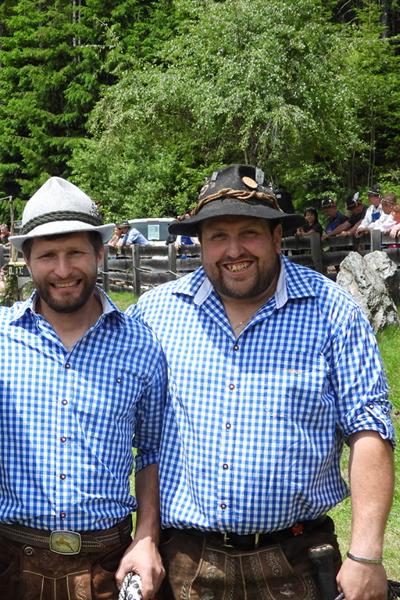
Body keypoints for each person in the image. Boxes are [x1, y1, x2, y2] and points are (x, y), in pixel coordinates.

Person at [130, 164, 395, 599]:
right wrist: (144, 537)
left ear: (276, 236)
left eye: (249, 233)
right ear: (201, 243)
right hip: (184, 563)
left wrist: (366, 555)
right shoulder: (155, 313)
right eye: (218, 236)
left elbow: (369, 430)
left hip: (297, 559)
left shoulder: (333, 311)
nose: (234, 249)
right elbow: (144, 438)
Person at [0, 176, 167, 599]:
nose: (64, 270)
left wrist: (146, 536)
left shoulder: (141, 343)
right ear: (26, 259)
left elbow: (152, 451)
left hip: (107, 562)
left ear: (100, 253)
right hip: (7, 560)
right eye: (48, 255)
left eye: (76, 253)